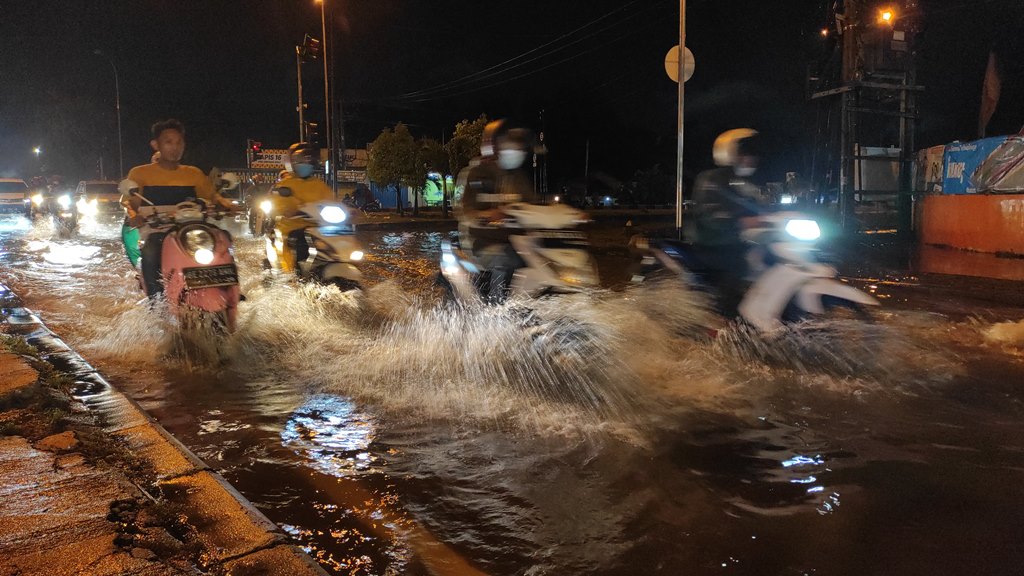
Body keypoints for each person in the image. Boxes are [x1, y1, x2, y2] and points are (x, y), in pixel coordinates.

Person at [122, 119, 236, 297]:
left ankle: (230, 290)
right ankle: (156, 301)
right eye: (168, 142)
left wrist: (225, 204)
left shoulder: (194, 173)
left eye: (179, 142)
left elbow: (213, 196)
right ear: (156, 145)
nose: (175, 147)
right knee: (151, 251)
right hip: (158, 229)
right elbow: (131, 203)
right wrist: (134, 215)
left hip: (193, 229)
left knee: (224, 239)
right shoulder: (140, 173)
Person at [455, 119, 538, 302]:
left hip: (518, 242)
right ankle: (496, 311)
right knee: (506, 259)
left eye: (517, 146)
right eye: (508, 144)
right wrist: (486, 216)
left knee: (545, 259)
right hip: (481, 243)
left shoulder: (518, 177)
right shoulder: (475, 174)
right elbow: (464, 211)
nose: (514, 150)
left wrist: (563, 214)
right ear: (494, 145)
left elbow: (533, 206)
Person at [687, 128, 766, 313]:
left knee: (763, 260)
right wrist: (740, 222)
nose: (752, 159)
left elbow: (761, 207)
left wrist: (780, 215)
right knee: (739, 266)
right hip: (711, 245)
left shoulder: (743, 184)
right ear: (731, 153)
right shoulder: (710, 179)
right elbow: (710, 214)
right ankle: (723, 323)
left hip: (735, 242)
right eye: (746, 154)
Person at [268, 142, 335, 273]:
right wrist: (287, 211)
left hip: (318, 226)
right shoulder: (284, 184)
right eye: (301, 160)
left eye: (308, 159)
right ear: (292, 162)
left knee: (340, 235)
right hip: (292, 227)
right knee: (300, 240)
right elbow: (277, 204)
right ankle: (296, 274)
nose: (306, 163)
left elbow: (332, 202)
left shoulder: (319, 185)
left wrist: (348, 210)